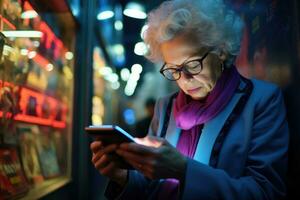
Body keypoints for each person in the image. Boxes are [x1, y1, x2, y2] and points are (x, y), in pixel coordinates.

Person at [90, 0, 289, 199]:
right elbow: (151, 185)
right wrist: (123, 176)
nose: (184, 80)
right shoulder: (165, 106)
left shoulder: (261, 101)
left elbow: (266, 191)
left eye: (192, 64)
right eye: (174, 69)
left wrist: (183, 170)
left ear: (221, 50)